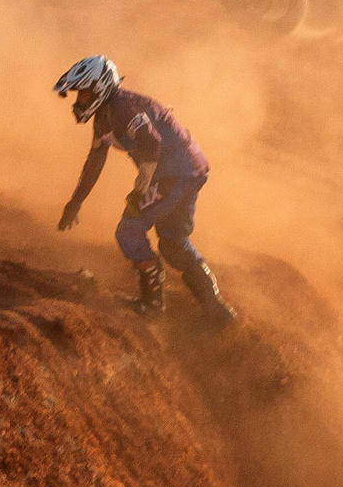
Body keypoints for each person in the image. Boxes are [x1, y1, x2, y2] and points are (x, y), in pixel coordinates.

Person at [52, 55, 236, 329]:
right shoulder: (107, 115)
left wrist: (142, 186)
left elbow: (151, 142)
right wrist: (75, 202)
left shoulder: (123, 107)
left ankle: (152, 306)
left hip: (175, 173)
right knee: (173, 243)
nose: (80, 101)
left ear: (101, 87)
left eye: (85, 93)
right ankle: (217, 310)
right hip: (190, 170)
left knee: (128, 230)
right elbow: (95, 161)